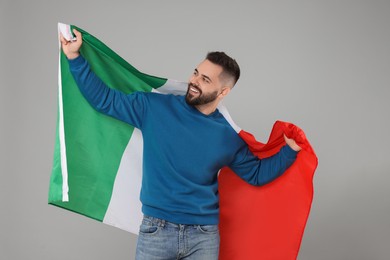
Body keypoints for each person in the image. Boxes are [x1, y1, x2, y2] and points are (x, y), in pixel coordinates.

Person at [60, 29, 301, 260]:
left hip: (204, 237)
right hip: (156, 231)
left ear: (223, 91)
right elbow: (104, 101)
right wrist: (74, 57)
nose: (193, 81)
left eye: (205, 79)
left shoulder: (227, 136)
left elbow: (257, 174)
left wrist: (289, 151)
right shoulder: (154, 107)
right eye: (196, 72)